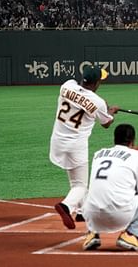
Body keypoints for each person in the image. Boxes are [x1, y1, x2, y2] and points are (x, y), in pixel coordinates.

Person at [50, 65, 119, 229]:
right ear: (96, 84)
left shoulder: (67, 85)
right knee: (80, 185)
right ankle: (66, 206)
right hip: (76, 146)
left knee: (76, 180)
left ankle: (82, 211)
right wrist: (110, 112)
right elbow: (106, 123)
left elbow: (84, 100)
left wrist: (104, 108)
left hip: (57, 140)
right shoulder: (98, 102)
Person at [82, 124, 138, 251]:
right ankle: (131, 236)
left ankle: (92, 234)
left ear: (115, 139)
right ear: (132, 141)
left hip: (92, 217)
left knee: (94, 190)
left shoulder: (98, 154)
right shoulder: (137, 156)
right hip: (118, 217)